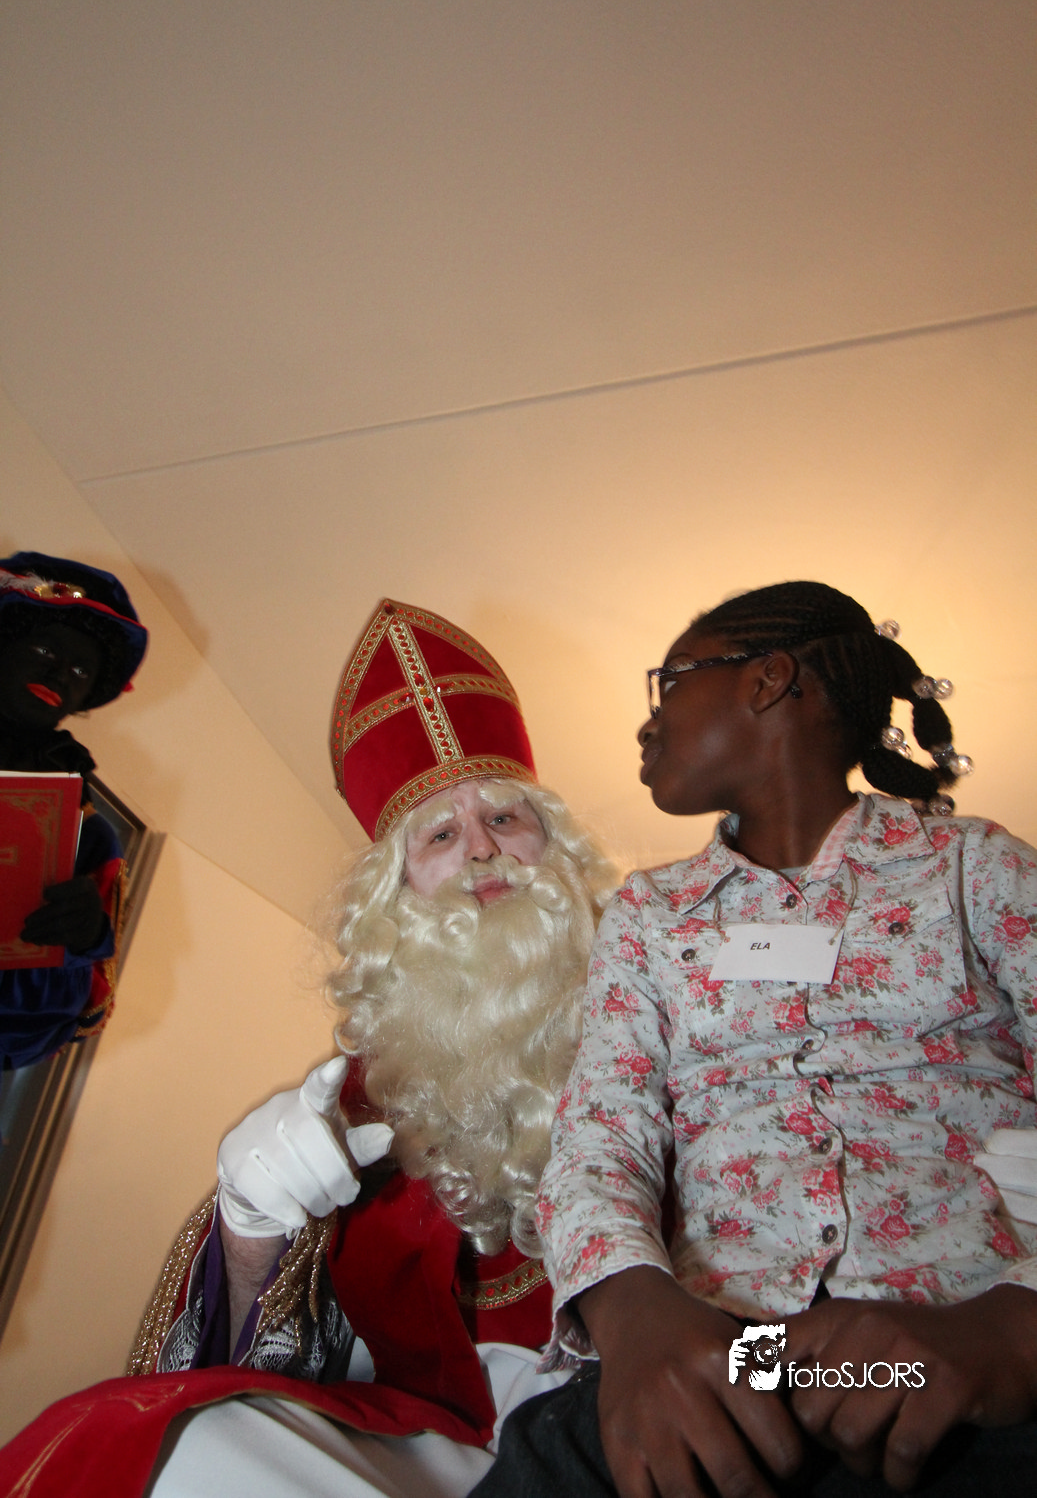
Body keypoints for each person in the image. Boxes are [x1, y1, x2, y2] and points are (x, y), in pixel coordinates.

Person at [0, 597, 615, 1498]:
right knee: (173, 1443)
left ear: (555, 844)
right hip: (454, 1442)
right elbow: (264, 1358)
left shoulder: (684, 1008)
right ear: (398, 896)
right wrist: (248, 1222)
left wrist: (768, 1373)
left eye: (505, 819)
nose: (484, 852)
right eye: (441, 834)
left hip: (667, 1404)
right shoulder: (363, 1100)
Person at [475, 581, 1037, 1498]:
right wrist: (635, 1318)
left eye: (668, 683)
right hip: (726, 1356)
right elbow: (599, 1137)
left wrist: (1013, 1328)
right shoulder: (648, 915)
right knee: (551, 1457)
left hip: (943, 1339)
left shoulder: (974, 868)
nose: (645, 725)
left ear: (768, 680)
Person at [0, 551, 148, 1068]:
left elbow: (64, 1024)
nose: (61, 672)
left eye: (81, 669)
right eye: (44, 647)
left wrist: (82, 940)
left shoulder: (88, 834)